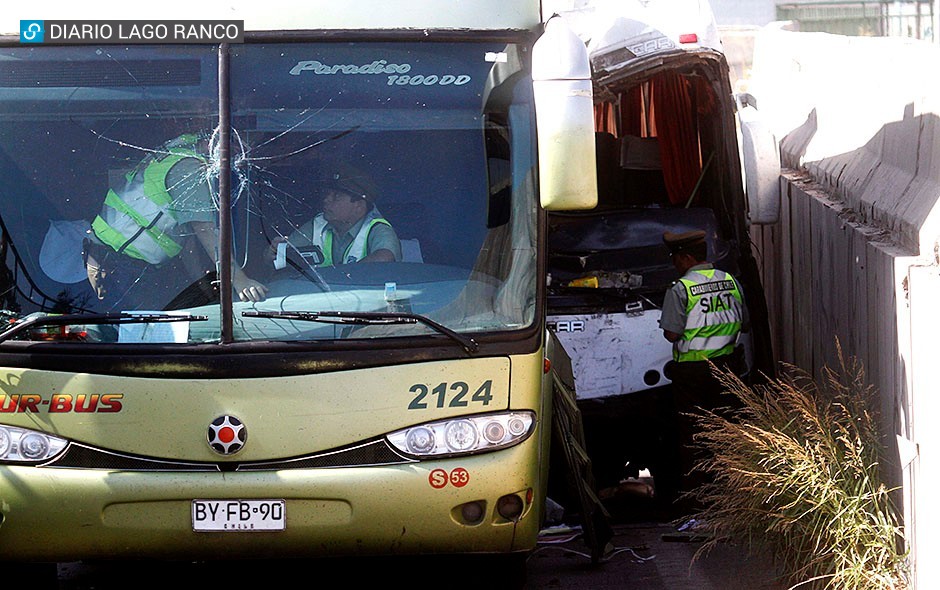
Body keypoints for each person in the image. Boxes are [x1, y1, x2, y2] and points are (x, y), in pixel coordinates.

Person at [80, 133, 268, 305]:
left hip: (109, 253)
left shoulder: (180, 148)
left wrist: (200, 283)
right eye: (237, 150)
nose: (239, 160)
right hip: (122, 265)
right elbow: (204, 229)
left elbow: (187, 238)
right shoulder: (190, 169)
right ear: (218, 142)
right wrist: (239, 280)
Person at [658, 229, 749, 510]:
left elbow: (672, 334)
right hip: (729, 369)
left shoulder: (681, 289)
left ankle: (699, 505)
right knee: (728, 432)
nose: (674, 263)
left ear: (686, 258)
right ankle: (734, 499)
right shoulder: (730, 281)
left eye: (675, 258)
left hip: (693, 375)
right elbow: (744, 324)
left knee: (694, 437)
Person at [273, 169, 401, 269]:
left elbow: (385, 258)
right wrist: (274, 253)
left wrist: (345, 275)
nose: (326, 200)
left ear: (359, 207)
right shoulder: (317, 224)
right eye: (328, 194)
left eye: (337, 196)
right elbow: (282, 257)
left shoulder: (377, 229)